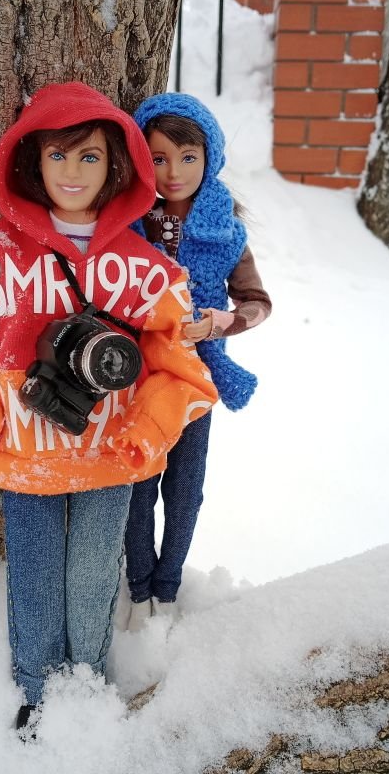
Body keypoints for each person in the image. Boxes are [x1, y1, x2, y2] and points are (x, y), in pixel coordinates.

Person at [0, 82, 217, 736]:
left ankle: (88, 685)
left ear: (116, 168)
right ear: (31, 162)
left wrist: (147, 431)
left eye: (90, 158)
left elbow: (178, 362)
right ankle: (35, 691)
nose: (73, 173)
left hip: (111, 460)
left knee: (89, 584)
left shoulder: (146, 269)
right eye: (58, 157)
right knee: (35, 583)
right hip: (25, 458)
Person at [124, 92, 272, 630]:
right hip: (139, 375)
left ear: (209, 159)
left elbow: (258, 303)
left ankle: (169, 584)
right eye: (158, 158)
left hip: (197, 376)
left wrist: (223, 321)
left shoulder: (226, 232)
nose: (173, 171)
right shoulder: (129, 221)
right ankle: (138, 587)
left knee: (185, 486)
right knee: (139, 481)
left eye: (188, 158)